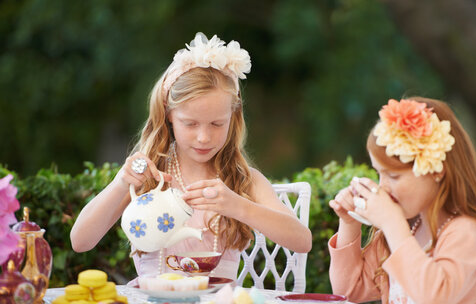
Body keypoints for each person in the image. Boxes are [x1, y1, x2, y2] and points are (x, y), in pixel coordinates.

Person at [71, 33, 311, 283]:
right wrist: (121, 182)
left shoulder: (243, 180)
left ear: (233, 119)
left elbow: (302, 241)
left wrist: (238, 205)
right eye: (190, 123)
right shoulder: (149, 177)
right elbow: (80, 241)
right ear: (169, 116)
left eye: (217, 124)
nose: (204, 137)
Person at [328, 97, 476, 304]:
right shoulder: (408, 230)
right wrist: (349, 222)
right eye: (378, 173)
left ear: (437, 170)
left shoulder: (466, 233)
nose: (382, 186)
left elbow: (434, 300)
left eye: (394, 176)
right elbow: (347, 291)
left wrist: (393, 225)